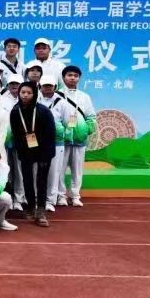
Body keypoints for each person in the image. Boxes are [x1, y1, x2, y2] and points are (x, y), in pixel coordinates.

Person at [9, 81, 56, 227]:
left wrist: (45, 153)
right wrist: (21, 150)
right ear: (19, 94)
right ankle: (30, 207)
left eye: (29, 93)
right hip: (26, 150)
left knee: (41, 180)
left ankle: (41, 210)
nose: (25, 95)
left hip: (43, 150)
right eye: (23, 92)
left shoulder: (43, 111)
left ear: (35, 94)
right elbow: (16, 134)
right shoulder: (15, 111)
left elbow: (50, 133)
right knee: (27, 179)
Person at [57, 65, 96, 207]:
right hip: (62, 140)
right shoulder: (57, 95)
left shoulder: (85, 97)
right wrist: (61, 132)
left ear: (79, 78)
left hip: (79, 139)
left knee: (77, 170)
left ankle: (75, 196)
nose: (72, 78)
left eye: (75, 75)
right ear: (63, 78)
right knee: (59, 169)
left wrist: (86, 130)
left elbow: (91, 116)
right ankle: (61, 195)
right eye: (69, 75)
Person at [38, 75, 75, 211]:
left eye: (50, 85)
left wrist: (66, 133)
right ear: (40, 87)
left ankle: (50, 201)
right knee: (37, 172)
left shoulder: (62, 102)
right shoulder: (35, 100)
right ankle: (38, 199)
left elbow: (71, 120)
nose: (47, 88)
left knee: (54, 172)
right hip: (37, 143)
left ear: (55, 87)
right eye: (45, 85)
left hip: (56, 143)